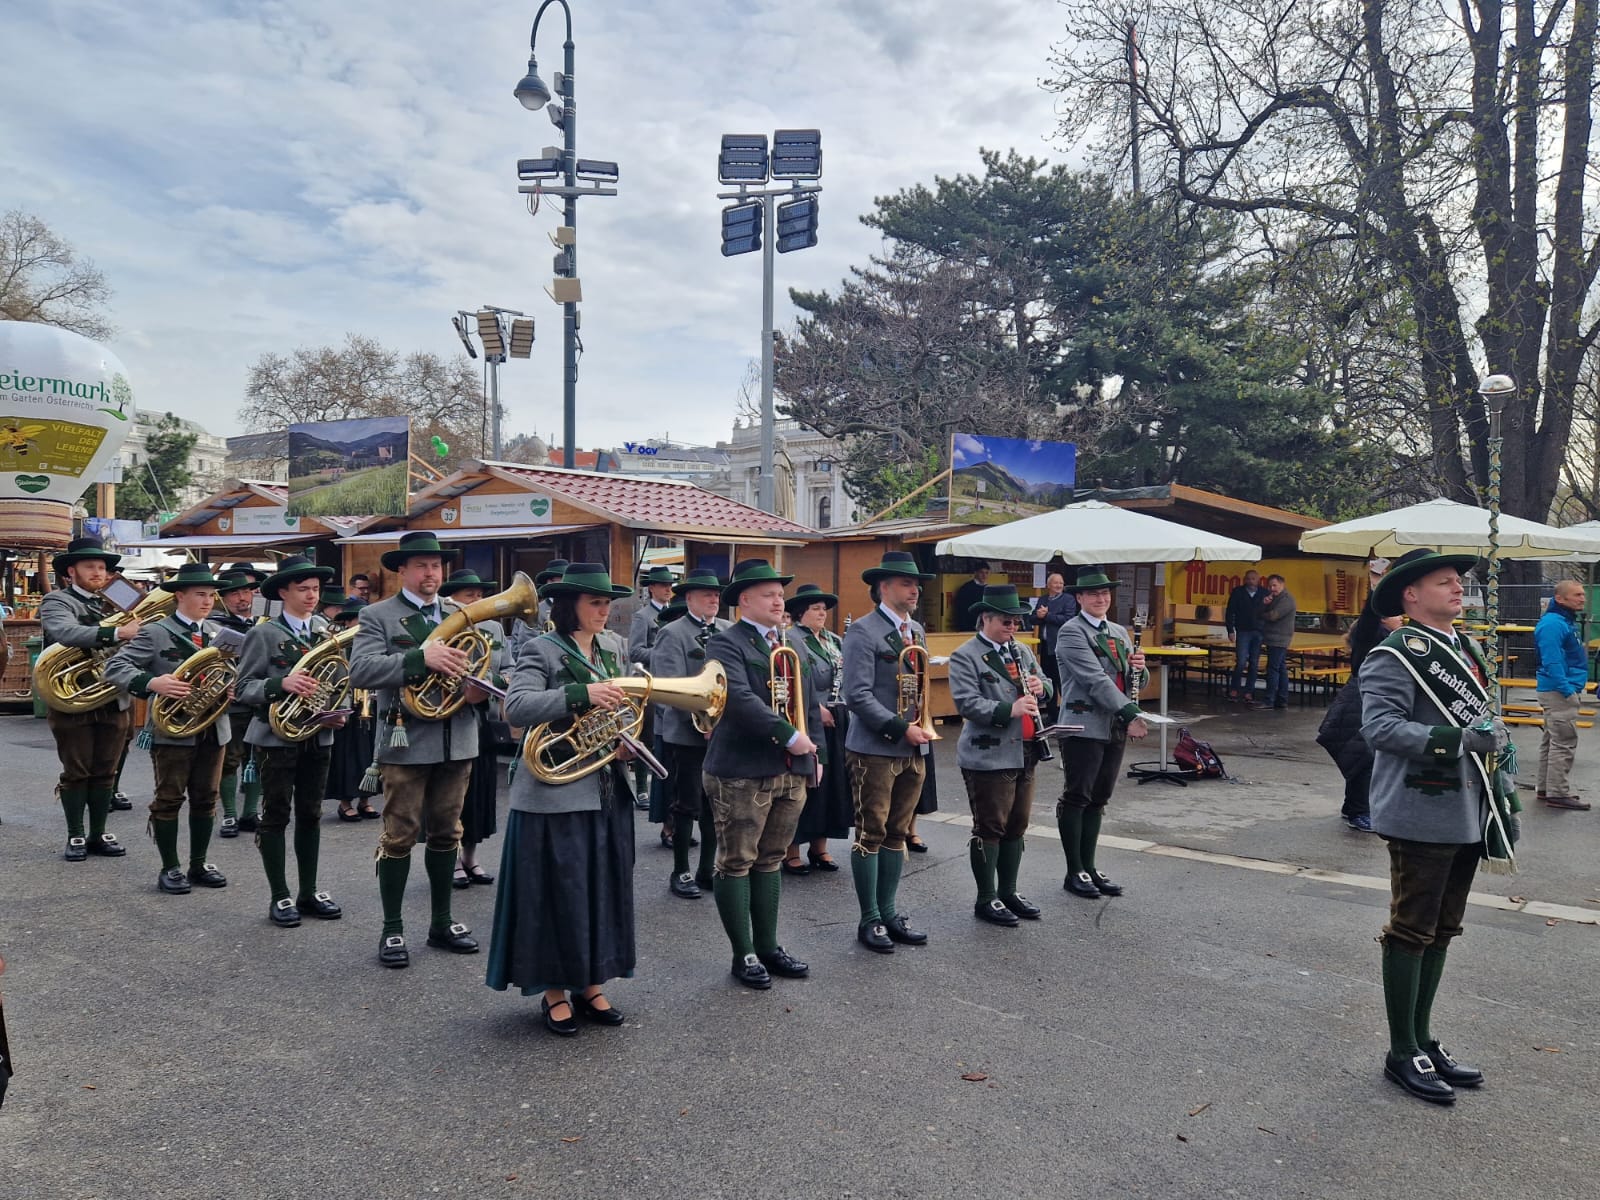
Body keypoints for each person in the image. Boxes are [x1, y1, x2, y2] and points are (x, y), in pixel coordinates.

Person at [1361, 547, 1513, 1104]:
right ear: (1411, 594)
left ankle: (1423, 1037)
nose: (1457, 588)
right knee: (1412, 929)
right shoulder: (1394, 655)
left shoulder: (1465, 649)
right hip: (1422, 809)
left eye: (1457, 581)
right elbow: (1380, 729)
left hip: (1470, 809)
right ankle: (1402, 1050)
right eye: (1444, 581)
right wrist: (1461, 740)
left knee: (1443, 929)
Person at [486, 563, 636, 1035]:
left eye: (608, 603)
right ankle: (553, 991)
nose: (604, 611)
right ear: (571, 605)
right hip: (554, 792)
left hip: (605, 787)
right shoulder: (542, 648)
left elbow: (623, 709)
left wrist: (626, 740)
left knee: (600, 890)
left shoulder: (614, 647)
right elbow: (516, 708)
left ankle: (591, 983)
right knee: (555, 894)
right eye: (596, 602)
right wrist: (579, 693)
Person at [349, 531, 484, 968]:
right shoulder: (377, 615)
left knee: (448, 832)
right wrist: (418, 660)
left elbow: (488, 666)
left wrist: (481, 688)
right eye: (422, 565)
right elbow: (361, 671)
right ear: (402, 570)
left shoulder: (461, 614)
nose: (431, 573)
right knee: (400, 835)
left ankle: (441, 922)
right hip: (405, 741)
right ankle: (392, 928)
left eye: (436, 565)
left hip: (456, 739)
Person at [700, 561, 822, 988]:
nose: (778, 601)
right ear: (744, 600)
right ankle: (744, 953)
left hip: (789, 769)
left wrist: (816, 753)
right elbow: (737, 698)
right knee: (737, 861)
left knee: (771, 858)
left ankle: (768, 945)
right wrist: (789, 736)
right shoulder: (724, 643)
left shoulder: (792, 643)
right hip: (741, 771)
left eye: (780, 594)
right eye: (769, 594)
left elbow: (808, 702)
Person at [104, 563, 234, 895]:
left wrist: (234, 688)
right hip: (173, 729)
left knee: (206, 798)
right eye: (200, 594)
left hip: (213, 727)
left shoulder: (219, 633)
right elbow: (115, 666)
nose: (208, 601)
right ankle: (170, 867)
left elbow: (235, 673)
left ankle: (199, 863)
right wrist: (152, 682)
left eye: (211, 595)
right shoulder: (156, 631)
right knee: (169, 798)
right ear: (179, 596)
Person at [235, 555, 347, 927]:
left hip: (318, 735)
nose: (312, 595)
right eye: (303, 589)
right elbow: (243, 688)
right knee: (276, 815)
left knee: (311, 814)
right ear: (283, 592)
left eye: (315, 589)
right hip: (275, 738)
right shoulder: (264, 633)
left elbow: (339, 678)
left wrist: (339, 710)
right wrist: (280, 683)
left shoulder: (325, 630)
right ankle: (280, 895)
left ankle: (308, 892)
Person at [841, 551, 937, 954]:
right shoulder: (863, 631)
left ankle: (889, 911)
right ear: (884, 587)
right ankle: (870, 918)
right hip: (874, 749)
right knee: (871, 832)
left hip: (912, 746)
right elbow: (857, 695)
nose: (915, 590)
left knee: (898, 832)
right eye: (906, 583)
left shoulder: (916, 629)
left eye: (916, 584)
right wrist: (902, 729)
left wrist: (921, 725)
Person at [949, 584, 1052, 926]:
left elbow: (1047, 683)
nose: (1013, 627)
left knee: (1017, 824)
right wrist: (1011, 709)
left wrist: (1041, 687)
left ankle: (1009, 891)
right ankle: (986, 897)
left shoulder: (1021, 651)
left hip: (1026, 749)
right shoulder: (966, 654)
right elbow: (967, 703)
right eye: (1006, 621)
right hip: (989, 753)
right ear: (986, 618)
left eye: (1016, 621)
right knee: (990, 826)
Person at [39, 536, 137, 862]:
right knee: (77, 771)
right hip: (73, 699)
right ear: (71, 571)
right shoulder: (57, 601)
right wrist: (117, 632)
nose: (98, 572)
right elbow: (65, 633)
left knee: (106, 770)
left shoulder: (116, 601)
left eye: (102, 567)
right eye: (89, 566)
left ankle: (98, 833)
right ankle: (75, 834)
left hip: (113, 696)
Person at [1054, 569, 1148, 898]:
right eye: (1093, 593)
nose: (1101, 598)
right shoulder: (1071, 631)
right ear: (1079, 597)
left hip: (1113, 724)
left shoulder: (1119, 631)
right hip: (1083, 725)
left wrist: (1140, 669)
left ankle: (1090, 867)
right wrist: (1131, 714)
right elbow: (1094, 680)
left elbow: (1132, 681)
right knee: (1078, 795)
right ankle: (1074, 870)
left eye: (1105, 592)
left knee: (1099, 798)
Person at [648, 567, 728, 898]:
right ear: (690, 598)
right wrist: (703, 722)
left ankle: (707, 869)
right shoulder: (673, 633)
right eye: (707, 594)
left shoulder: (727, 630)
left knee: (715, 805)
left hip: (722, 735)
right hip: (687, 733)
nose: (714, 599)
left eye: (716, 594)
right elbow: (669, 687)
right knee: (686, 804)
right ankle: (680, 871)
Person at [434, 569, 510, 886]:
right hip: (450, 716)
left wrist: (492, 681)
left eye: (480, 596)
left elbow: (509, 667)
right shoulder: (444, 626)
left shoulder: (493, 627)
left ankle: (471, 857)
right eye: (470, 596)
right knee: (453, 796)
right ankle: (450, 858)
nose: (478, 601)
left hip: (483, 717)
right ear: (452, 600)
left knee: (481, 791)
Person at [783, 584, 852, 874]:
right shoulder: (791, 639)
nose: (822, 613)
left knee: (831, 784)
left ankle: (820, 847)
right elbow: (791, 681)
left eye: (824, 609)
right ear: (801, 612)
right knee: (807, 782)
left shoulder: (833, 640)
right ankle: (791, 850)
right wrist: (816, 707)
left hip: (838, 718)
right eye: (816, 609)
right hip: (809, 719)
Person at [1315, 605, 1403, 832]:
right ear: (1382, 618)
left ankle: (1352, 807)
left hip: (1359, 705)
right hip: (1357, 707)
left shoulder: (1386, 639)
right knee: (1363, 761)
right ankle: (1359, 812)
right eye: (1395, 613)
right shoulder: (1372, 637)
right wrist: (1376, 592)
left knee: (1359, 760)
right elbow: (1368, 618)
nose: (1401, 617)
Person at [211, 572, 263, 838]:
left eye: (246, 592)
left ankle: (251, 812)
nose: (242, 598)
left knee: (258, 757)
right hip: (232, 702)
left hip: (260, 699)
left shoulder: (264, 622)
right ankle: (230, 814)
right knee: (230, 759)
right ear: (224, 598)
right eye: (234, 593)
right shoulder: (215, 625)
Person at [1534, 579, 1589, 810]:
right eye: (1577, 594)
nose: (1582, 598)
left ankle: (1547, 788)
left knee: (1552, 740)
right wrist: (1567, 690)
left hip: (1558, 688)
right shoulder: (1554, 624)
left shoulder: (1560, 621)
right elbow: (1552, 660)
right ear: (1560, 598)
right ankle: (1557, 792)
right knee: (1564, 741)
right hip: (1559, 691)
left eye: (1582, 594)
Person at [326, 596, 379, 822]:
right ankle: (345, 803)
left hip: (370, 703)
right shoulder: (338, 646)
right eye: (357, 619)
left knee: (370, 753)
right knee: (346, 755)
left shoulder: (373, 643)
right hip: (347, 704)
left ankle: (365, 800)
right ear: (347, 622)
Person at [1032, 572, 1076, 724]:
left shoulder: (1068, 599)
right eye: (1056, 583)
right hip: (1045, 646)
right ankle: (1052, 716)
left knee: (1062, 682)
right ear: (1048, 585)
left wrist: (1047, 615)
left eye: (1061, 583)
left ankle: (1069, 715)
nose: (1059, 586)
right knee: (1048, 680)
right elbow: (1032, 619)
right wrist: (1039, 616)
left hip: (1061, 647)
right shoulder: (1043, 599)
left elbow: (1068, 619)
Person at [508, 560, 566, 662]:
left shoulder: (578, 609)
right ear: (549, 582)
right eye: (562, 581)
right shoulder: (535, 612)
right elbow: (526, 649)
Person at [1224, 570, 1265, 704]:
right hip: (1242, 631)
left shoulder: (1264, 593)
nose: (1251, 581)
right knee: (1241, 661)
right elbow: (1230, 612)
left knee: (1254, 662)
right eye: (1248, 579)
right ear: (1244, 579)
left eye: (1253, 579)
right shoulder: (1238, 592)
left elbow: (1269, 612)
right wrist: (1230, 630)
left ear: (1258, 580)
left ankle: (1249, 691)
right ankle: (1234, 688)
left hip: (1258, 631)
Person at [1259, 574, 1297, 709]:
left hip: (1279, 638)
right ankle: (1281, 699)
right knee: (1280, 668)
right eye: (1270, 586)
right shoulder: (1273, 598)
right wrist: (1264, 604)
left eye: (1274, 585)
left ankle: (1269, 699)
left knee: (1273, 668)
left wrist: (1262, 614)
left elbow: (1273, 616)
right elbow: (1263, 612)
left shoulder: (1287, 599)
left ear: (1282, 584)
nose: (1272, 589)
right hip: (1273, 637)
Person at [952, 562, 991, 632]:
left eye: (986, 573)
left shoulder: (989, 589)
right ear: (975, 573)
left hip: (985, 627)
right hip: (969, 627)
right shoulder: (966, 588)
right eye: (981, 572)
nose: (984, 575)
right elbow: (961, 609)